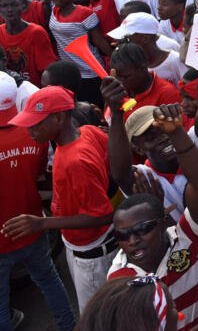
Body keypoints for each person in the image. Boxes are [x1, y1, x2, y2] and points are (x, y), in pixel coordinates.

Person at [2, 86, 116, 313]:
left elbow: (102, 214)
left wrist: (42, 223)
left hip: (91, 253)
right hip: (83, 247)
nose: (29, 131)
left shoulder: (76, 161)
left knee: (96, 317)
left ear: (59, 118)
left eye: (35, 124)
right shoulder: (89, 132)